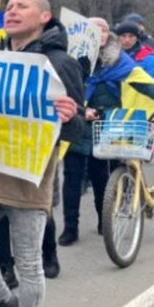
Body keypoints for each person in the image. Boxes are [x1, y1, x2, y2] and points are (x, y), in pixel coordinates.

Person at [0, 0, 84, 307]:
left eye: (22, 6)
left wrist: (70, 117)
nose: (12, 11)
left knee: (29, 263)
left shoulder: (60, 63)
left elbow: (76, 128)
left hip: (29, 177)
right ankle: (3, 301)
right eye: (10, 6)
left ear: (44, 17)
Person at [59, 17, 114, 246]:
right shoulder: (70, 61)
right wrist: (82, 110)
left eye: (103, 30)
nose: (99, 33)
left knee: (101, 180)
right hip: (75, 128)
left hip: (103, 130)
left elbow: (130, 93)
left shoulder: (117, 63)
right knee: (71, 180)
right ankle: (70, 228)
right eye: (94, 29)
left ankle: (104, 221)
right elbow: (63, 90)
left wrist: (101, 112)